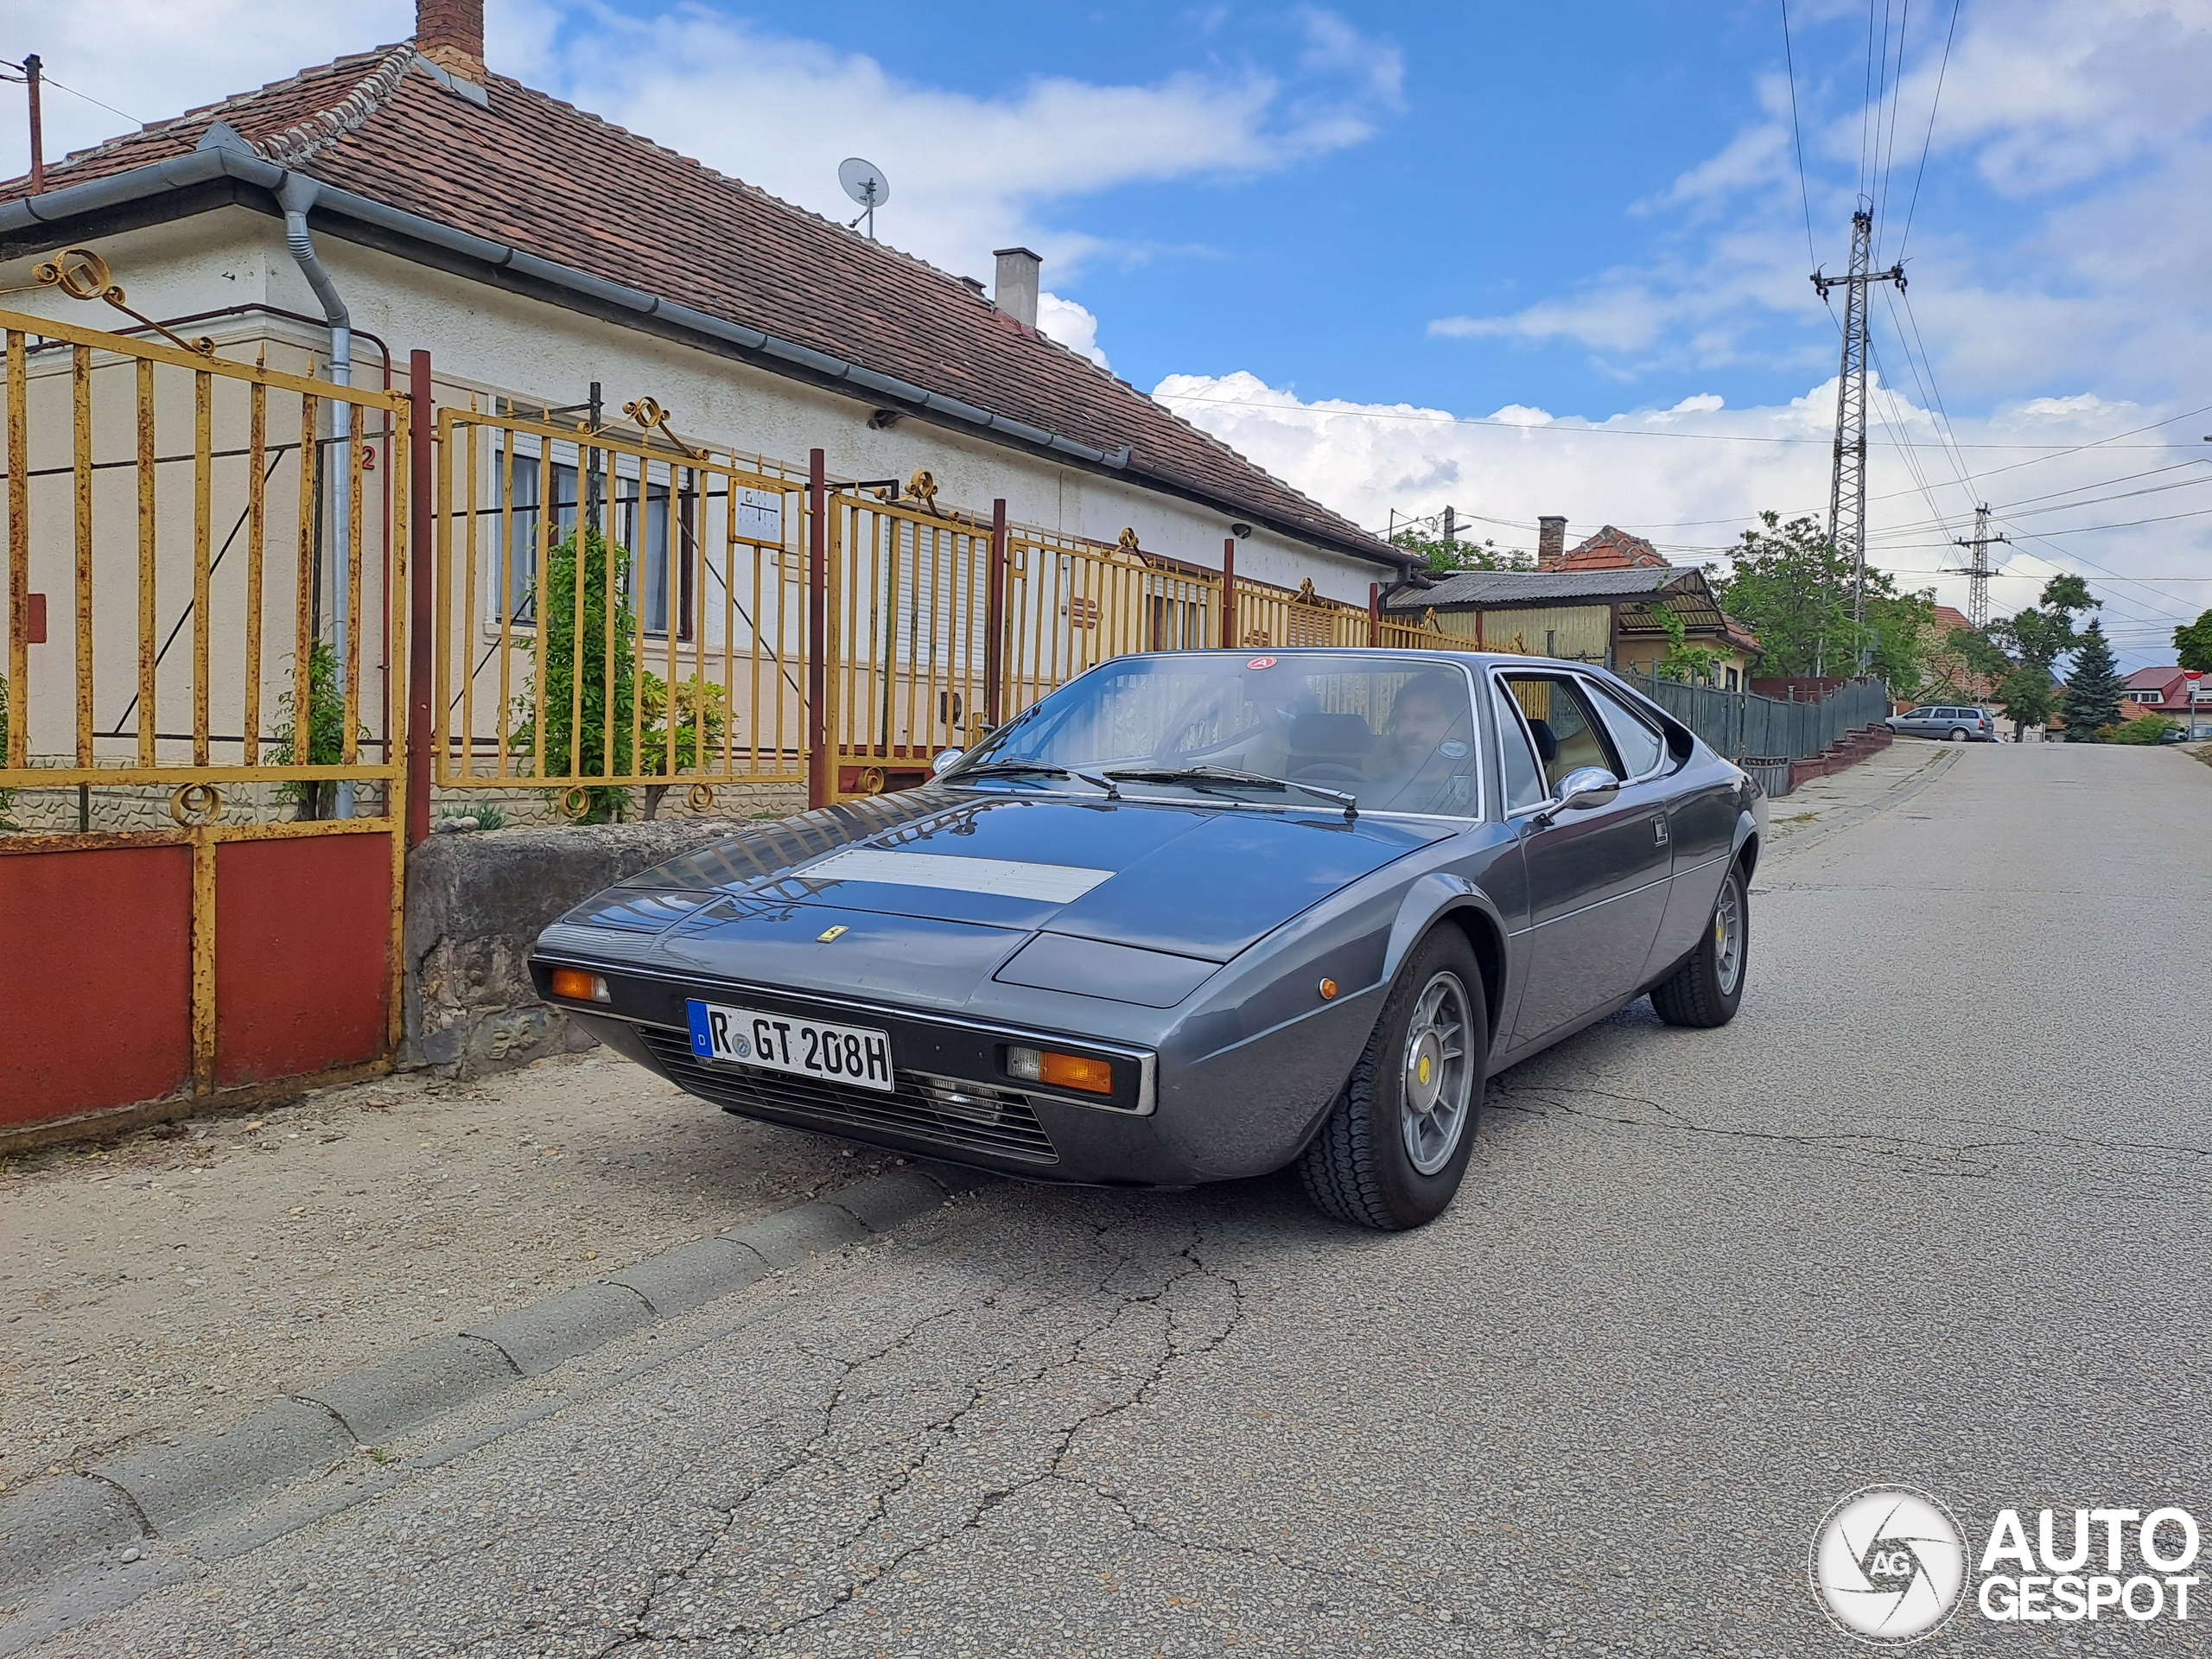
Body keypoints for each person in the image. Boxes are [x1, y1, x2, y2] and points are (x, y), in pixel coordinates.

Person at [1364, 671, 1475, 811]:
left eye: (1424, 719)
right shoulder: (1373, 789)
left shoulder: (1479, 799)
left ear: (1457, 727)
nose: (1408, 730)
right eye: (1403, 718)